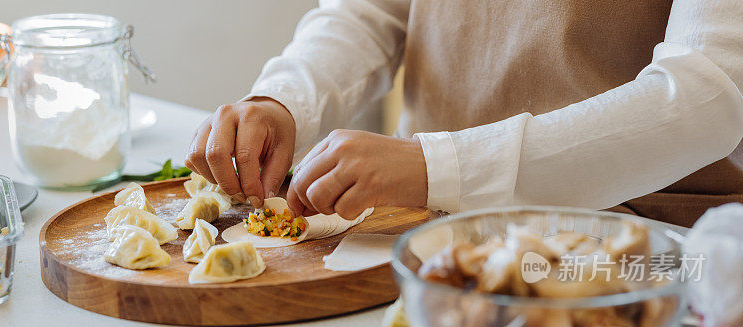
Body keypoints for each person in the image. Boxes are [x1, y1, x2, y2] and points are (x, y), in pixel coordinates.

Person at [185, 0, 743, 227]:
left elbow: (707, 92)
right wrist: (283, 100)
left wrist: (437, 167)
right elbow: (373, 10)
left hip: (634, 251)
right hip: (418, 233)